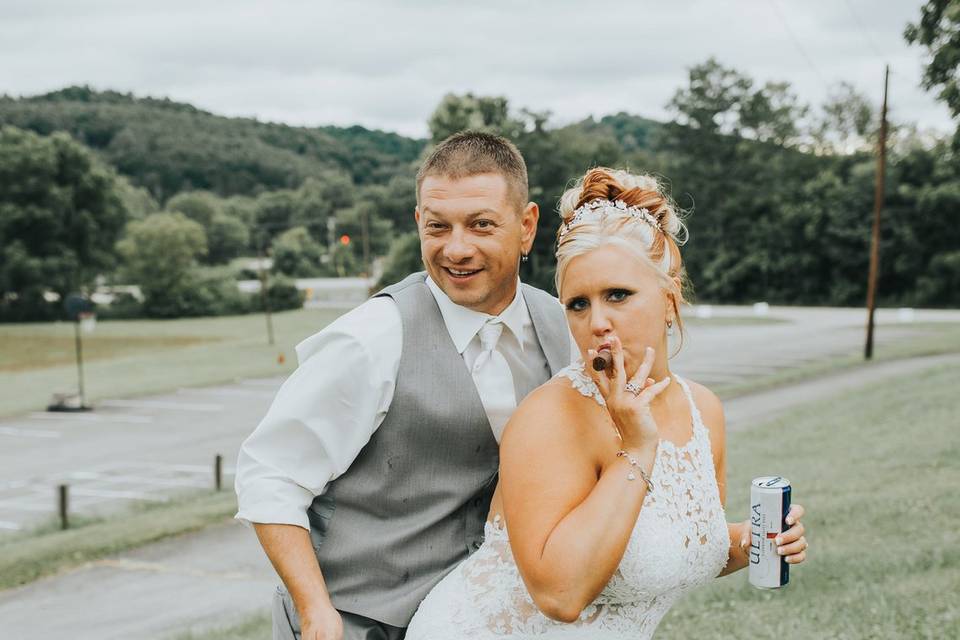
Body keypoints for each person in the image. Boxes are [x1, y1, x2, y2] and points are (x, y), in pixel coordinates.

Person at [405, 167, 809, 639]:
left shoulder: (704, 411)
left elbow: (676, 551)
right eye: (578, 303)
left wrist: (755, 540)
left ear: (668, 297)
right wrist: (636, 448)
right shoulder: (549, 417)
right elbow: (561, 595)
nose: (598, 322)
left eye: (618, 295)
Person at [234, 131, 574, 640]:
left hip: (484, 618)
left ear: (526, 227)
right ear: (419, 223)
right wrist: (315, 611)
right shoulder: (372, 337)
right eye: (438, 227)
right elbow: (270, 474)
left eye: (481, 225)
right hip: (360, 622)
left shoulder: (561, 325)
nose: (456, 249)